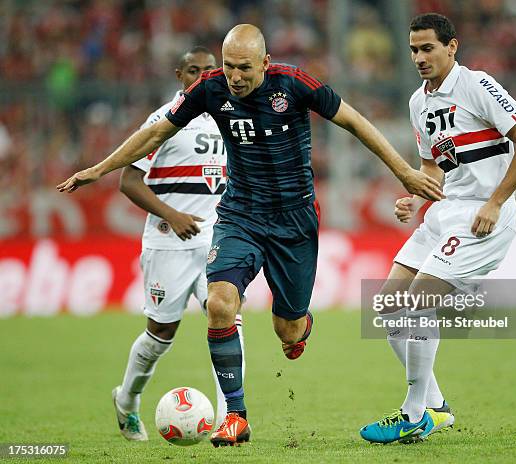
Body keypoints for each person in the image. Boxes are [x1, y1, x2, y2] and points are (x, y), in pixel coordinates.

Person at [57, 24, 443, 447]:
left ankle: (299, 325)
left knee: (288, 330)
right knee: (221, 304)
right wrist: (100, 168)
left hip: (294, 221)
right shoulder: (209, 89)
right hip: (239, 214)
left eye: (244, 68)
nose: (235, 77)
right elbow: (154, 133)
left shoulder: (293, 83)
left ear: (264, 62)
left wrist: (404, 171)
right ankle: (236, 417)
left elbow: (353, 121)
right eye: (228, 67)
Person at [359, 13, 516, 444]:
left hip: (484, 215)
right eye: (413, 49)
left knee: (420, 300)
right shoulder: (417, 102)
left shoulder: (476, 85)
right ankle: (437, 407)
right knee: (387, 309)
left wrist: (496, 202)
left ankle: (413, 412)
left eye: (427, 48)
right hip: (443, 213)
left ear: (451, 47)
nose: (419, 57)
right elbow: (431, 166)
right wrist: (417, 195)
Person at [110, 46, 245, 441]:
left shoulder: (231, 117)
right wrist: (172, 215)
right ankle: (127, 400)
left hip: (219, 239)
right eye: (193, 71)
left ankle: (228, 418)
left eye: (209, 70)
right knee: (159, 335)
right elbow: (127, 181)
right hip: (168, 242)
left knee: (228, 319)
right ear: (179, 75)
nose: (203, 77)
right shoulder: (163, 121)